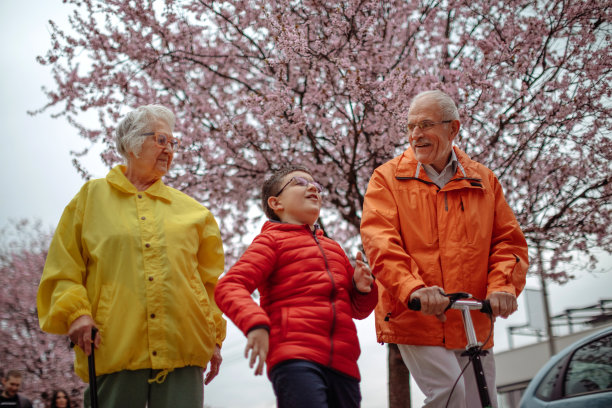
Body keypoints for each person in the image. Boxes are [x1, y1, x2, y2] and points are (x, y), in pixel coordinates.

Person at [37, 105, 226, 408]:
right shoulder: (90, 199)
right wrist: (76, 312)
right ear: (131, 143)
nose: (169, 150)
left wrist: (215, 338)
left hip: (183, 349)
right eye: (161, 140)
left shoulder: (195, 213)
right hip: (114, 346)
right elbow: (63, 268)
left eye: (173, 143)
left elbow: (210, 284)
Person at [360, 90, 529, 407]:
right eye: (411, 126)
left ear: (453, 129)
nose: (416, 135)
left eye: (425, 125)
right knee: (449, 395)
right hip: (416, 316)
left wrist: (503, 286)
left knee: (481, 400)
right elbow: (380, 242)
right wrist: (414, 288)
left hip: (473, 317)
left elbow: (508, 241)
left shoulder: (484, 180)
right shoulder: (387, 179)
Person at [215, 165, 378, 408]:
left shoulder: (334, 249)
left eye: (317, 185)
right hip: (295, 356)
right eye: (299, 182)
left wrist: (363, 288)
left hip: (345, 365)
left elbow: (358, 310)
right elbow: (229, 286)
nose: (313, 187)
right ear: (276, 203)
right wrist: (255, 324)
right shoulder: (271, 241)